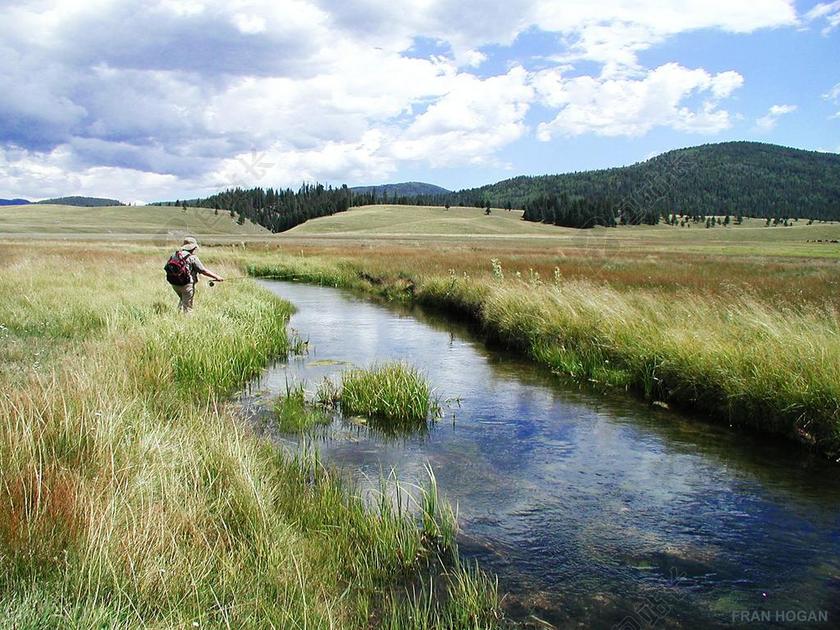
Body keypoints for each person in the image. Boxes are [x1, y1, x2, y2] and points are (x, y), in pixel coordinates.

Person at [168, 237, 224, 313]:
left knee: (182, 299)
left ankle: (178, 315)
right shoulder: (192, 257)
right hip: (187, 284)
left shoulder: (175, 254)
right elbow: (203, 271)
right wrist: (217, 277)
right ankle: (187, 321)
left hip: (174, 283)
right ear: (193, 247)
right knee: (188, 307)